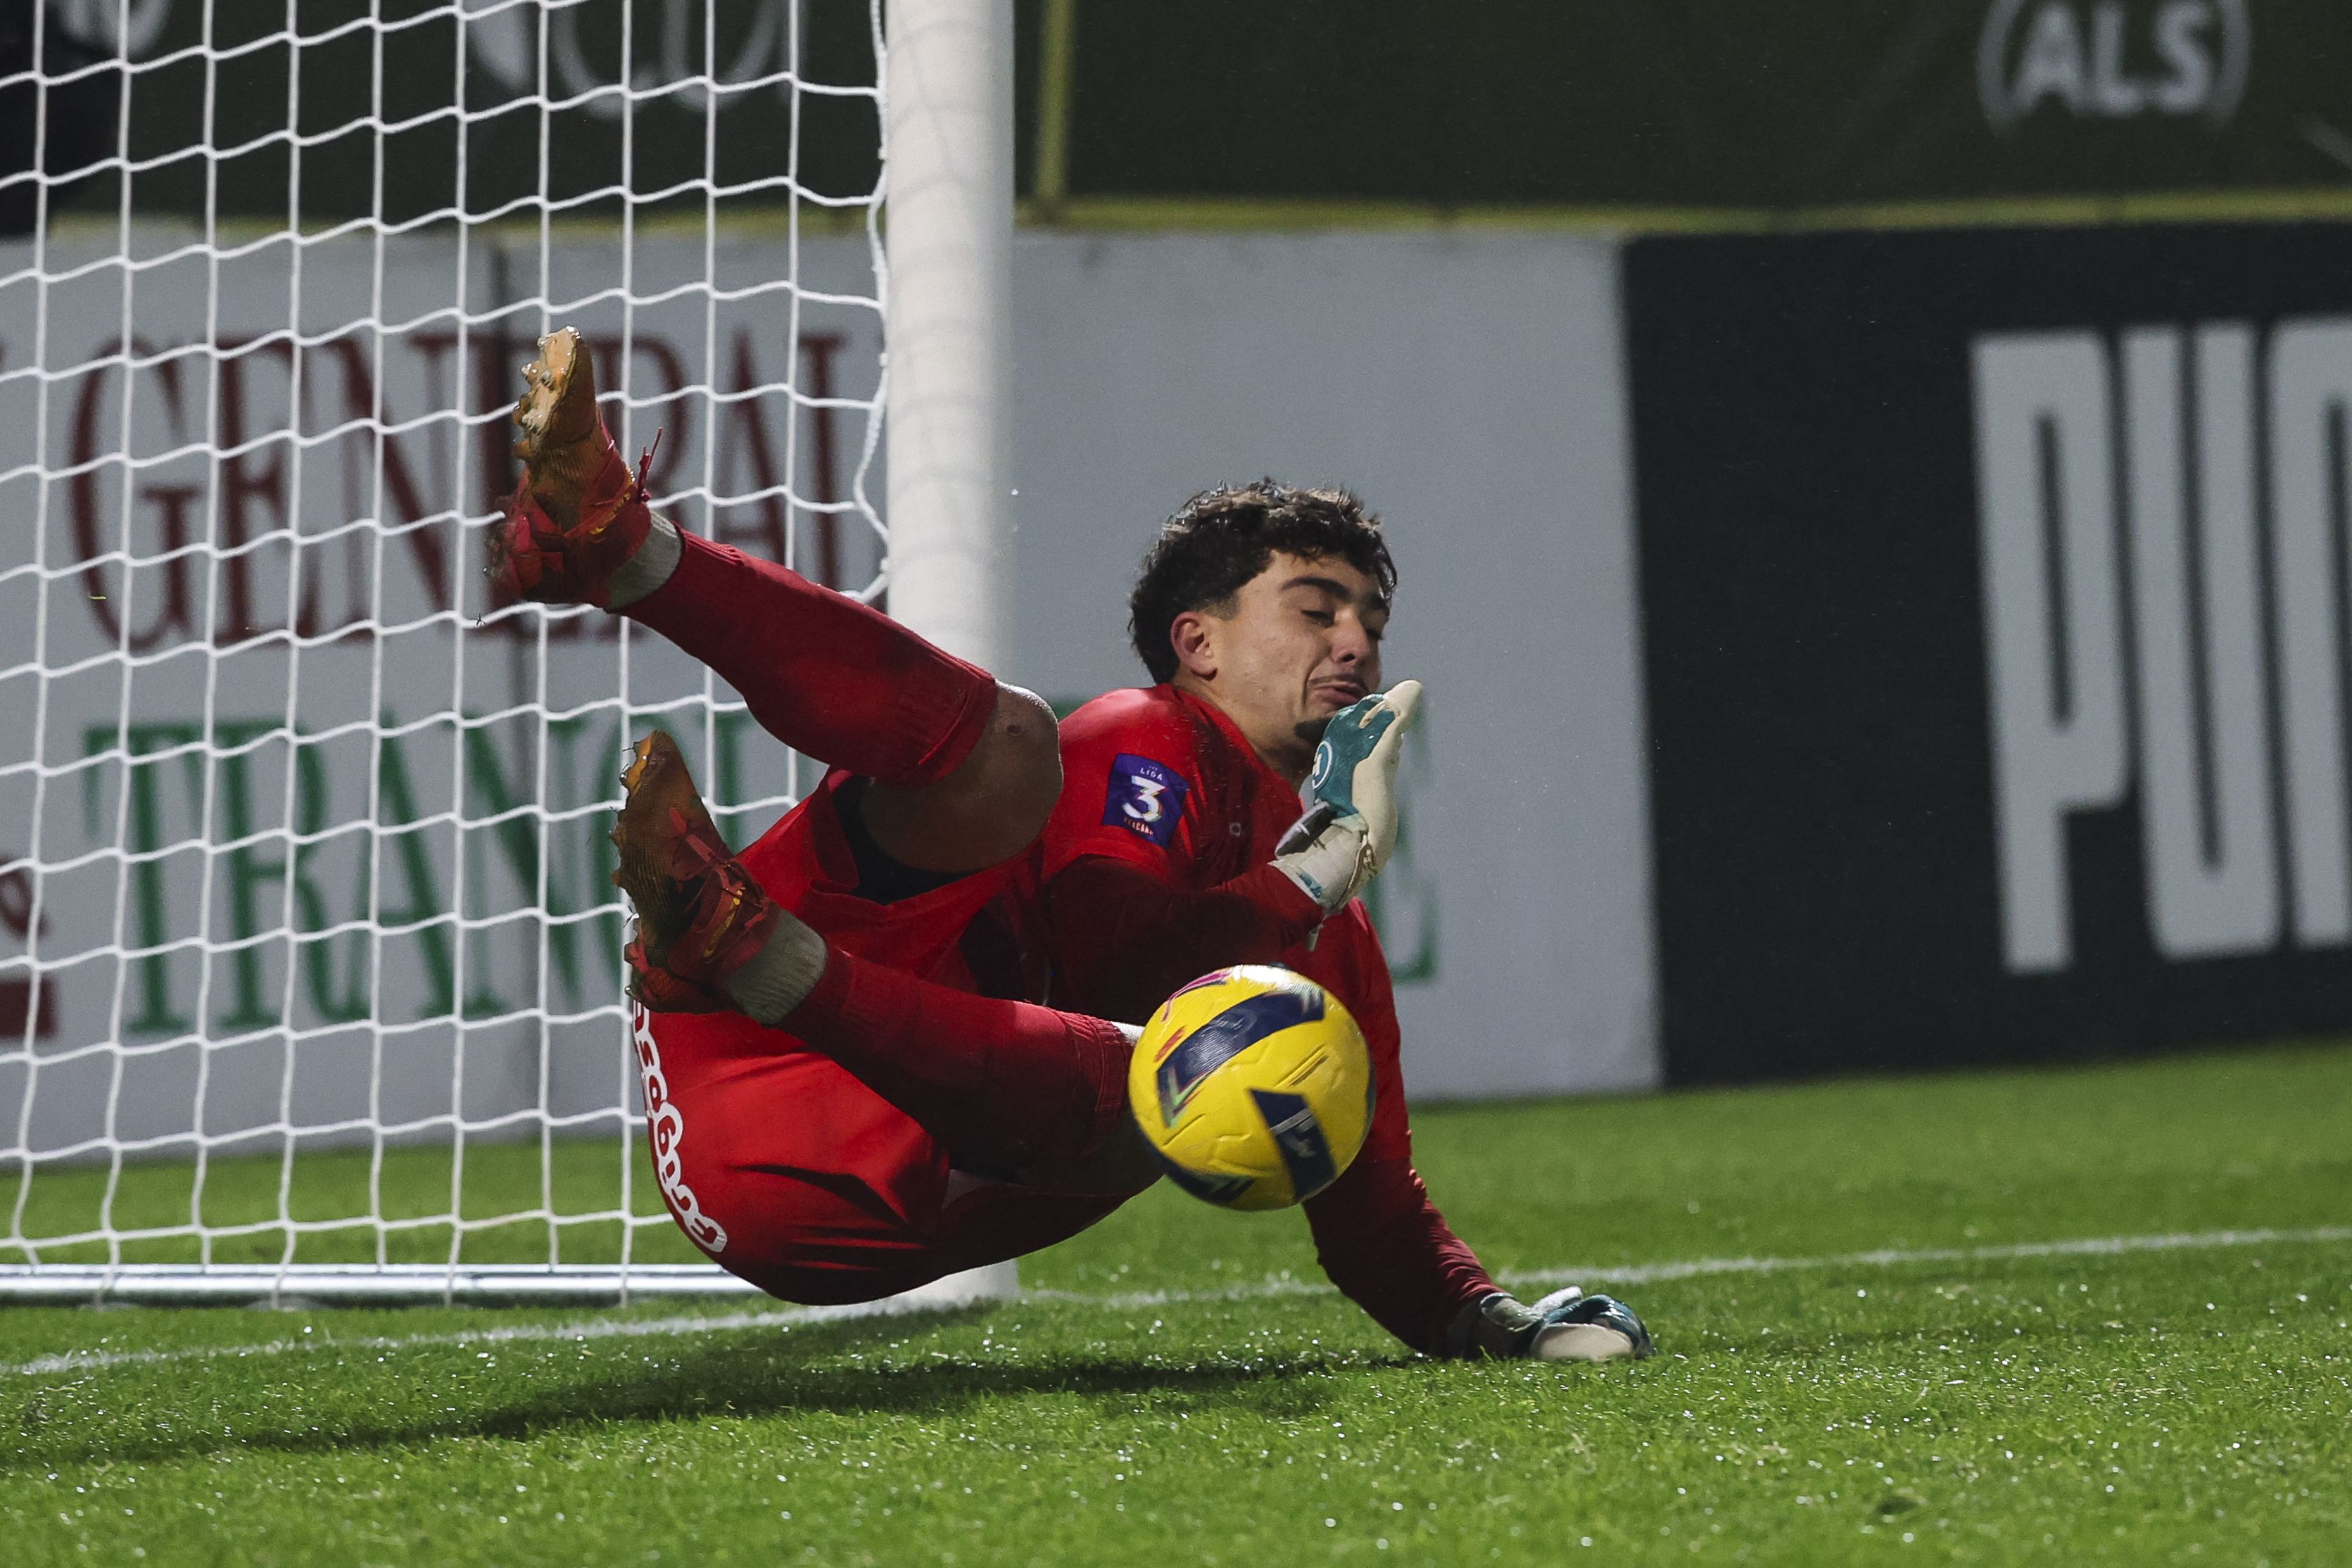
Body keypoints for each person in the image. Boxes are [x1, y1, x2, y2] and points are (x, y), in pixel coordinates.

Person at [488, 328, 1652, 1362]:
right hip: (751, 1060)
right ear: (1196, 642)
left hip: (839, 1190)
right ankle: (620, 548)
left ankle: (746, 943)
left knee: (1192, 1064)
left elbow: (1369, 1203)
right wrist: (1316, 869)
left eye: (1370, 623)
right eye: (1316, 609)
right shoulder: (1145, 740)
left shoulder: (1324, 930)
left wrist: (1490, 1321)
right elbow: (1115, 946)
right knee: (1006, 746)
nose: (1354, 642)